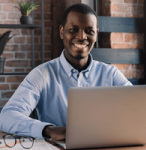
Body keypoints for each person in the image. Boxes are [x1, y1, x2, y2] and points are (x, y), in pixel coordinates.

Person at [0, 3, 132, 141]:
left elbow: (135, 107)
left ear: (96, 34)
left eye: (89, 31)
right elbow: (7, 116)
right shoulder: (42, 74)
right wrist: (48, 130)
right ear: (62, 32)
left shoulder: (110, 74)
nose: (82, 37)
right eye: (74, 29)